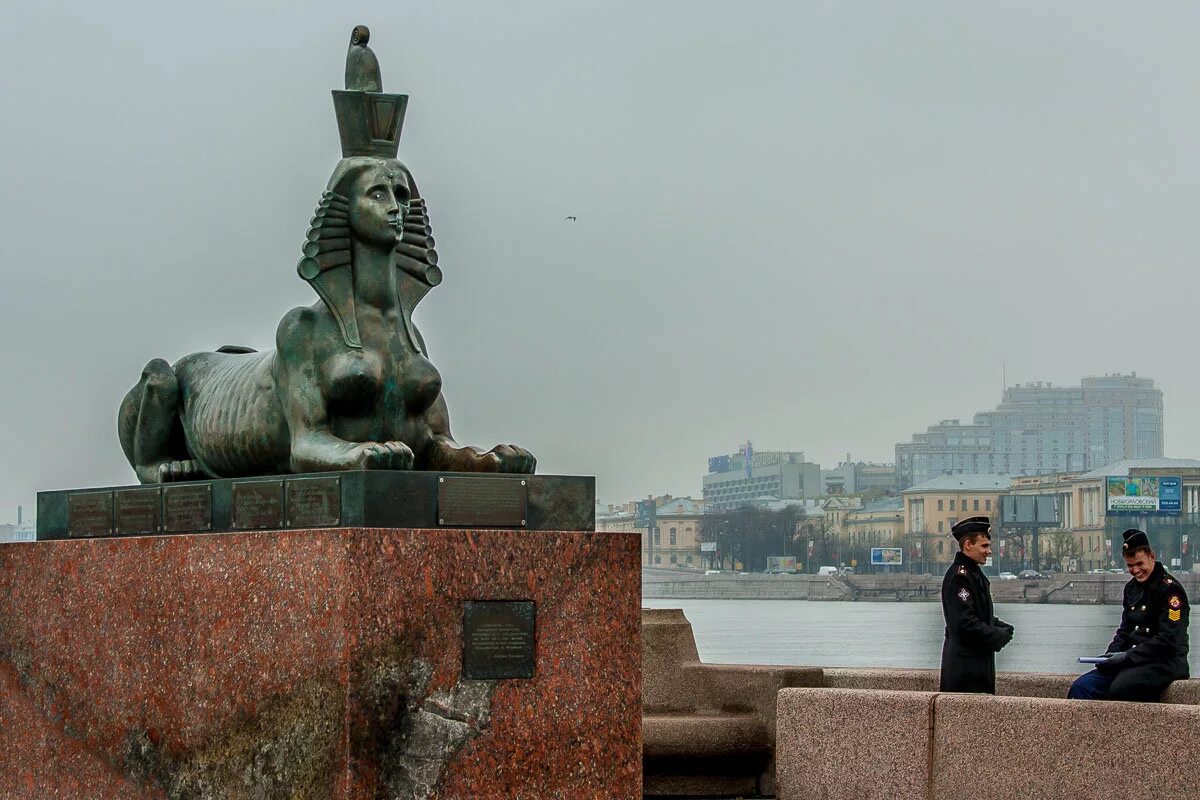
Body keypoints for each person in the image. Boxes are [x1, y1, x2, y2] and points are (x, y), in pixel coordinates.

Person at [1068, 529, 1190, 701]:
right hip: (1133, 661)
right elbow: (1125, 630)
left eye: (1140, 564)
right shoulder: (1131, 589)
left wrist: (1127, 656)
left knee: (1121, 689)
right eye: (1130, 566)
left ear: (1152, 556)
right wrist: (1110, 655)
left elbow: (1169, 639)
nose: (1136, 570)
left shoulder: (1170, 590)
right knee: (1082, 686)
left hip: (1163, 662)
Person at [940, 516, 1014, 693]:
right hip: (964, 671)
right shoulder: (959, 577)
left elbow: (979, 613)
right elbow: (964, 623)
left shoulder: (974, 574)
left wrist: (1001, 626)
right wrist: (996, 635)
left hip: (977, 668)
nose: (989, 551)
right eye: (984, 546)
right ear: (968, 545)